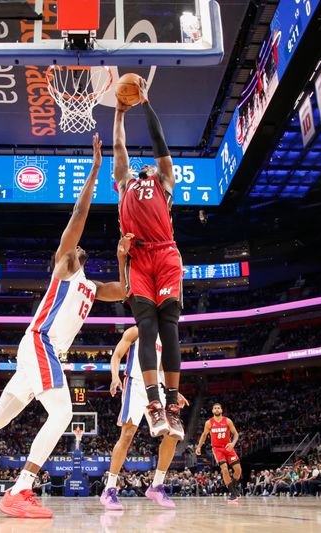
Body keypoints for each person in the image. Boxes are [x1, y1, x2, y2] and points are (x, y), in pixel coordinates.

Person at [0, 133, 129, 519]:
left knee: (1, 415)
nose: (77, 246)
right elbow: (78, 217)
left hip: (45, 351)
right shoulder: (66, 267)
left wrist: (122, 257)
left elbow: (125, 290)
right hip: (41, 343)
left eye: (83, 248)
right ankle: (20, 488)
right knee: (63, 414)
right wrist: (96, 171)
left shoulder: (92, 285)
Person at [113, 79, 184, 440]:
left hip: (165, 252)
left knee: (169, 326)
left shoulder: (164, 180)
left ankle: (172, 405)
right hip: (138, 256)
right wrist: (119, 113)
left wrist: (144, 103)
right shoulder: (123, 183)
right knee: (147, 327)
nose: (144, 167)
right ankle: (154, 406)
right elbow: (120, 146)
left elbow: (160, 144)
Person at [100, 326, 188, 510]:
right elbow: (116, 355)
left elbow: (162, 370)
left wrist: (174, 391)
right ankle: (109, 489)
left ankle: (156, 485)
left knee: (173, 433)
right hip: (134, 384)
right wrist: (114, 377)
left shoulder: (164, 336)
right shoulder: (135, 331)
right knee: (127, 435)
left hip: (155, 388)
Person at [196, 403, 242, 503]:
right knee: (224, 469)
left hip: (228, 447)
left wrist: (233, 444)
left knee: (238, 470)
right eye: (215, 408)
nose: (217, 410)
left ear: (221, 410)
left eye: (218, 408)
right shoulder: (209, 423)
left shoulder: (227, 421)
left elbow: (236, 434)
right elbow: (204, 435)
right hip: (217, 449)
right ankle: (233, 494)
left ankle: (233, 488)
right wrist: (199, 446)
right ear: (212, 411)